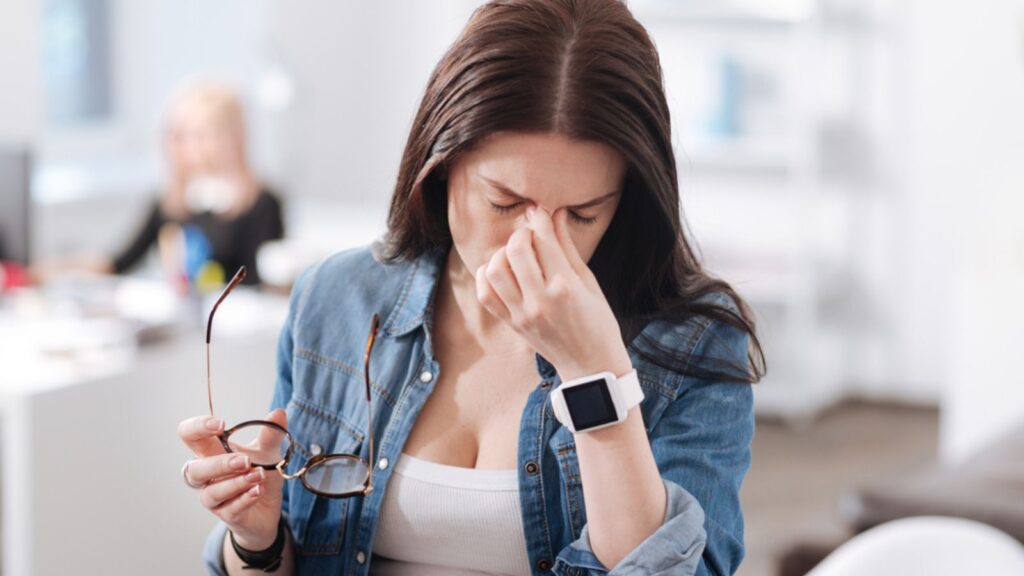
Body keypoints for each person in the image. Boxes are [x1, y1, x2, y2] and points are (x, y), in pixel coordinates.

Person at [177, 1, 764, 574]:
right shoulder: (337, 298)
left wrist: (596, 372)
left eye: (582, 214)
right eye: (505, 202)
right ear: (441, 163)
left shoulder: (693, 342)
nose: (536, 245)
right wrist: (257, 540)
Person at [36, 81, 283, 286]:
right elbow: (119, 262)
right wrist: (52, 269)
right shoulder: (169, 202)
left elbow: (262, 282)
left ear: (231, 138)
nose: (190, 147)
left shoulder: (262, 204)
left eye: (201, 134)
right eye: (182, 135)